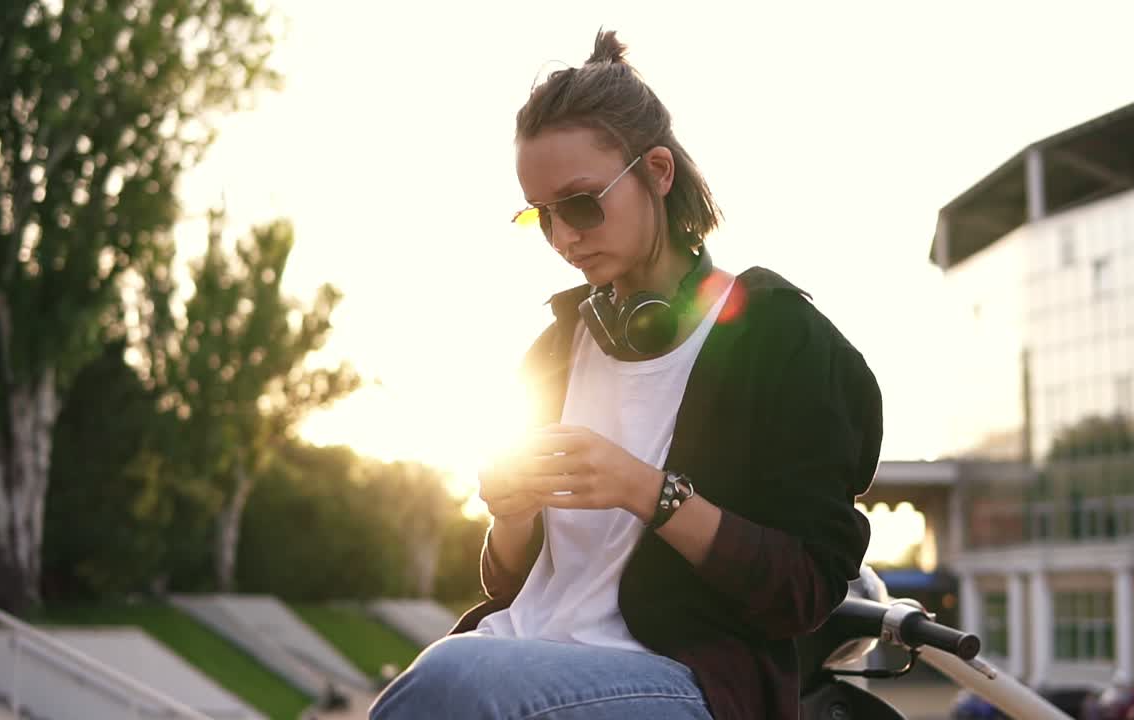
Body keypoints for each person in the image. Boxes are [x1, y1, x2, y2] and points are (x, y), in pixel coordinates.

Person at [369, 29, 882, 720]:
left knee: (453, 680)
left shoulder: (784, 342)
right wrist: (511, 514)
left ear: (659, 173)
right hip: (520, 657)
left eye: (581, 204)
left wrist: (649, 492)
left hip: (681, 681)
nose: (564, 239)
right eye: (542, 217)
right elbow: (512, 579)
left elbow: (804, 592)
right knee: (455, 674)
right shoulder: (553, 350)